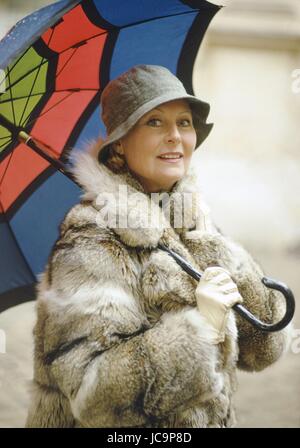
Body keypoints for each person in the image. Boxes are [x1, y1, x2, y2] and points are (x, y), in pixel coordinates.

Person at [26, 65, 290, 428]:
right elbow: (94, 397)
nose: (175, 137)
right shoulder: (92, 238)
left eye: (184, 122)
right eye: (154, 122)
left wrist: (238, 282)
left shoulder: (194, 221)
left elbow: (263, 349)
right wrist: (201, 328)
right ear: (119, 143)